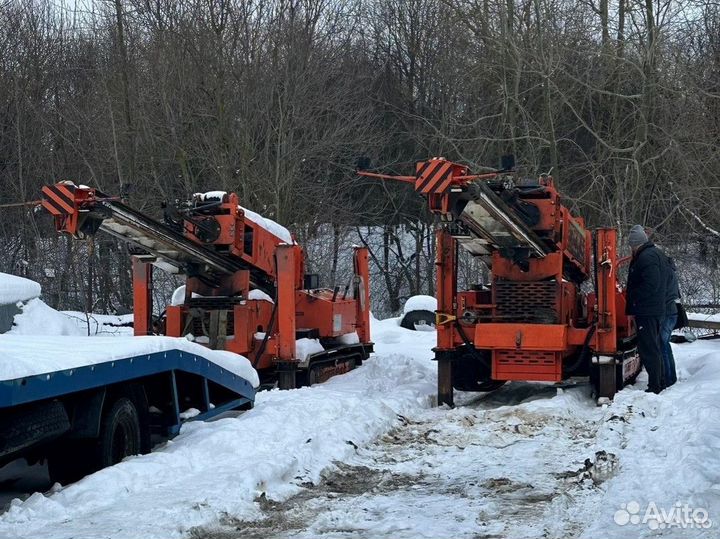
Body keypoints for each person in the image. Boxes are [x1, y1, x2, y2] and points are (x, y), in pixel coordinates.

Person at [626, 225, 666, 394]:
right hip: (653, 309)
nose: (631, 249)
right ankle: (660, 381)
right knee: (654, 347)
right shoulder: (653, 254)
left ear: (636, 243)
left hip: (647, 310)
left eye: (631, 246)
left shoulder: (647, 257)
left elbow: (651, 284)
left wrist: (634, 297)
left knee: (649, 348)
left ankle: (655, 386)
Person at [661, 255, 680, 387]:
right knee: (665, 344)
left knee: (663, 344)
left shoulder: (664, 272)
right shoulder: (671, 271)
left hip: (667, 311)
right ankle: (670, 377)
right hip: (671, 310)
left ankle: (668, 378)